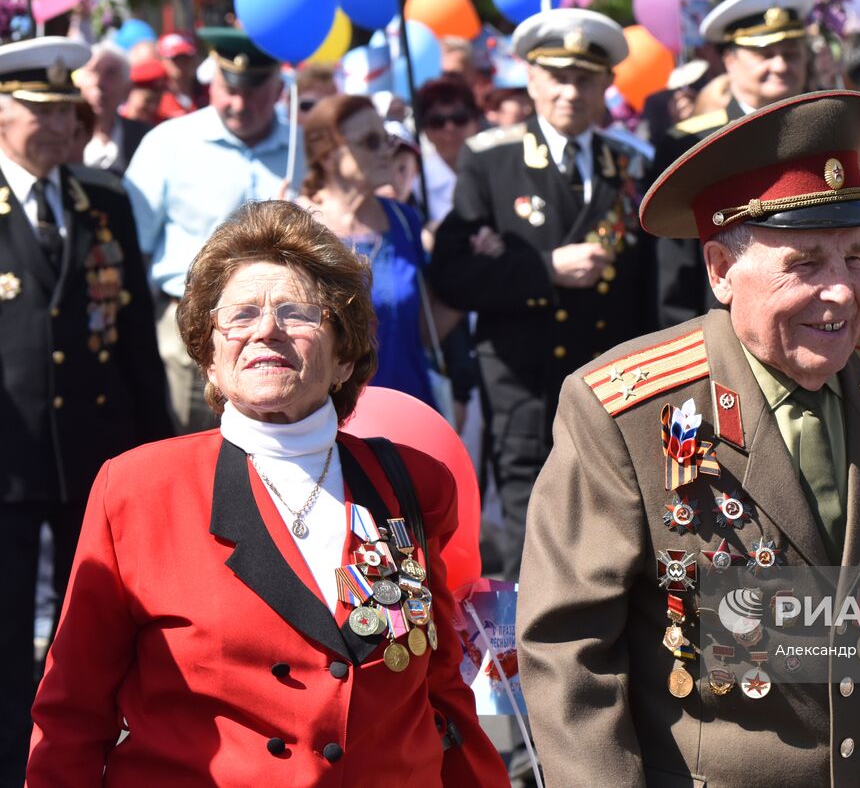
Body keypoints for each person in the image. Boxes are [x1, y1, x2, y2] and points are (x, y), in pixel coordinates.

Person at [518, 89, 860, 787]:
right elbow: (571, 656)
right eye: (806, 264)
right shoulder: (624, 410)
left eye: (857, 257)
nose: (842, 292)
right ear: (721, 270)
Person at [27, 202, 510, 788]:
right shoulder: (137, 489)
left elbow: (439, 688)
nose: (266, 329)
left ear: (344, 357)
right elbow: (72, 712)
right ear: (208, 355)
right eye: (241, 315)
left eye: (296, 312)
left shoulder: (410, 481)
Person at [428, 7, 655, 580]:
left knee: (613, 523)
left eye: (584, 78)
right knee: (531, 529)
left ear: (607, 84)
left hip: (612, 378)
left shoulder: (629, 163)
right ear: (530, 79)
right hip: (523, 381)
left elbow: (654, 285)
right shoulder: (491, 160)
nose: (569, 92)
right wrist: (543, 269)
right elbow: (453, 276)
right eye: (556, 76)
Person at [0, 37, 172, 787]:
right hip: (7, 459)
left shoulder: (99, 199)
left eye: (68, 109)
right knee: (4, 638)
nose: (62, 124)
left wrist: (157, 454)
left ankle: (83, 764)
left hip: (92, 452)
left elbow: (133, 337)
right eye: (40, 111)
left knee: (91, 629)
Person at [127, 27, 304, 434]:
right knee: (188, 452)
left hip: (281, 335)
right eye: (229, 89)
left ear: (279, 86)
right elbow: (132, 248)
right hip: (189, 331)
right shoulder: (169, 143)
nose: (238, 104)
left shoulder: (302, 149)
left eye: (254, 92)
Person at [652, 0, 816, 328]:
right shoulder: (691, 142)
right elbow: (674, 267)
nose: (781, 65)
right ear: (729, 60)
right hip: (724, 333)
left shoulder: (823, 134)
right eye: (765, 54)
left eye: (790, 53)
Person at [298, 94, 446, 409]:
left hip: (409, 405)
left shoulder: (403, 220)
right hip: (332, 416)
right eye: (370, 142)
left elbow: (422, 327)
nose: (386, 153)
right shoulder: (297, 227)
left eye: (386, 140)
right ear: (327, 154)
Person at [72, 43, 150, 175]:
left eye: (110, 74)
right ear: (77, 83)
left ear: (127, 89)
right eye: (92, 72)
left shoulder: (143, 138)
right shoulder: (64, 135)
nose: (99, 83)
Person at [415, 75, 481, 224]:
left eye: (459, 118)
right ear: (424, 129)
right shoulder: (415, 188)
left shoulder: (497, 174)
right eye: (437, 121)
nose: (449, 128)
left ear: (476, 121)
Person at [155, 32, 206, 121]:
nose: (180, 64)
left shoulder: (207, 93)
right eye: (174, 58)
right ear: (161, 60)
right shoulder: (156, 98)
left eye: (185, 58)